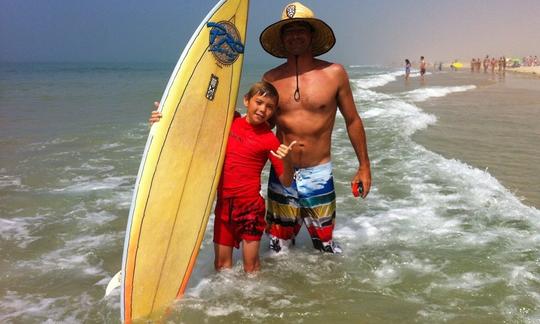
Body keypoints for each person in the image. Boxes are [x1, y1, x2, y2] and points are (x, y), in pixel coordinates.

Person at [259, 2, 371, 254]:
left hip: (319, 174)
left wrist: (364, 166)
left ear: (311, 35)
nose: (295, 35)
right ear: (282, 38)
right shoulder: (271, 79)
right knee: (278, 251)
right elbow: (260, 127)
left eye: (300, 29)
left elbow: (352, 120)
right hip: (281, 174)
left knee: (326, 251)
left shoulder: (334, 73)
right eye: (288, 30)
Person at [150, 82, 296, 272]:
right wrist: (164, 117)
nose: (262, 109)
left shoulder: (269, 139)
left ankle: (254, 300)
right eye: (258, 102)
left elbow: (286, 181)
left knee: (251, 267)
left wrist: (287, 160)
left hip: (250, 208)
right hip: (224, 206)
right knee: (221, 266)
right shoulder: (230, 120)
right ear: (246, 100)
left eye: (269, 107)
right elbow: (196, 122)